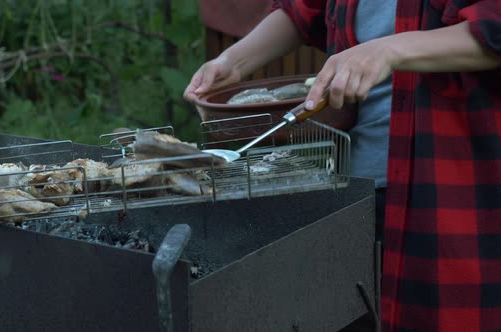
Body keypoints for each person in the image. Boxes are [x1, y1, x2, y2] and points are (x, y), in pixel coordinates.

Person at [183, 1, 501, 331]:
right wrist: (234, 61)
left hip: (450, 207)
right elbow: (302, 11)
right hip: (354, 195)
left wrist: (390, 49)